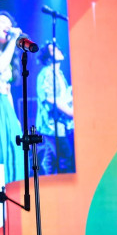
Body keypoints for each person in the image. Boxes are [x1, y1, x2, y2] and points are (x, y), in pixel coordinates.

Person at [0, 11, 24, 184]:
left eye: (9, 24)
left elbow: (7, 88)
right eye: (2, 22)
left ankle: (14, 189)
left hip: (5, 105)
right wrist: (13, 42)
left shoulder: (8, 54)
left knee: (15, 148)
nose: (7, 27)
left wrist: (15, 119)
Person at [36, 40, 75, 174]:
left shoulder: (59, 74)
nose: (58, 50)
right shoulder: (47, 73)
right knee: (64, 156)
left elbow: (60, 96)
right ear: (47, 58)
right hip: (52, 125)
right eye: (53, 50)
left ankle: (48, 182)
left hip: (58, 124)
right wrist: (70, 112)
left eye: (57, 48)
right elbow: (50, 98)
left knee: (51, 158)